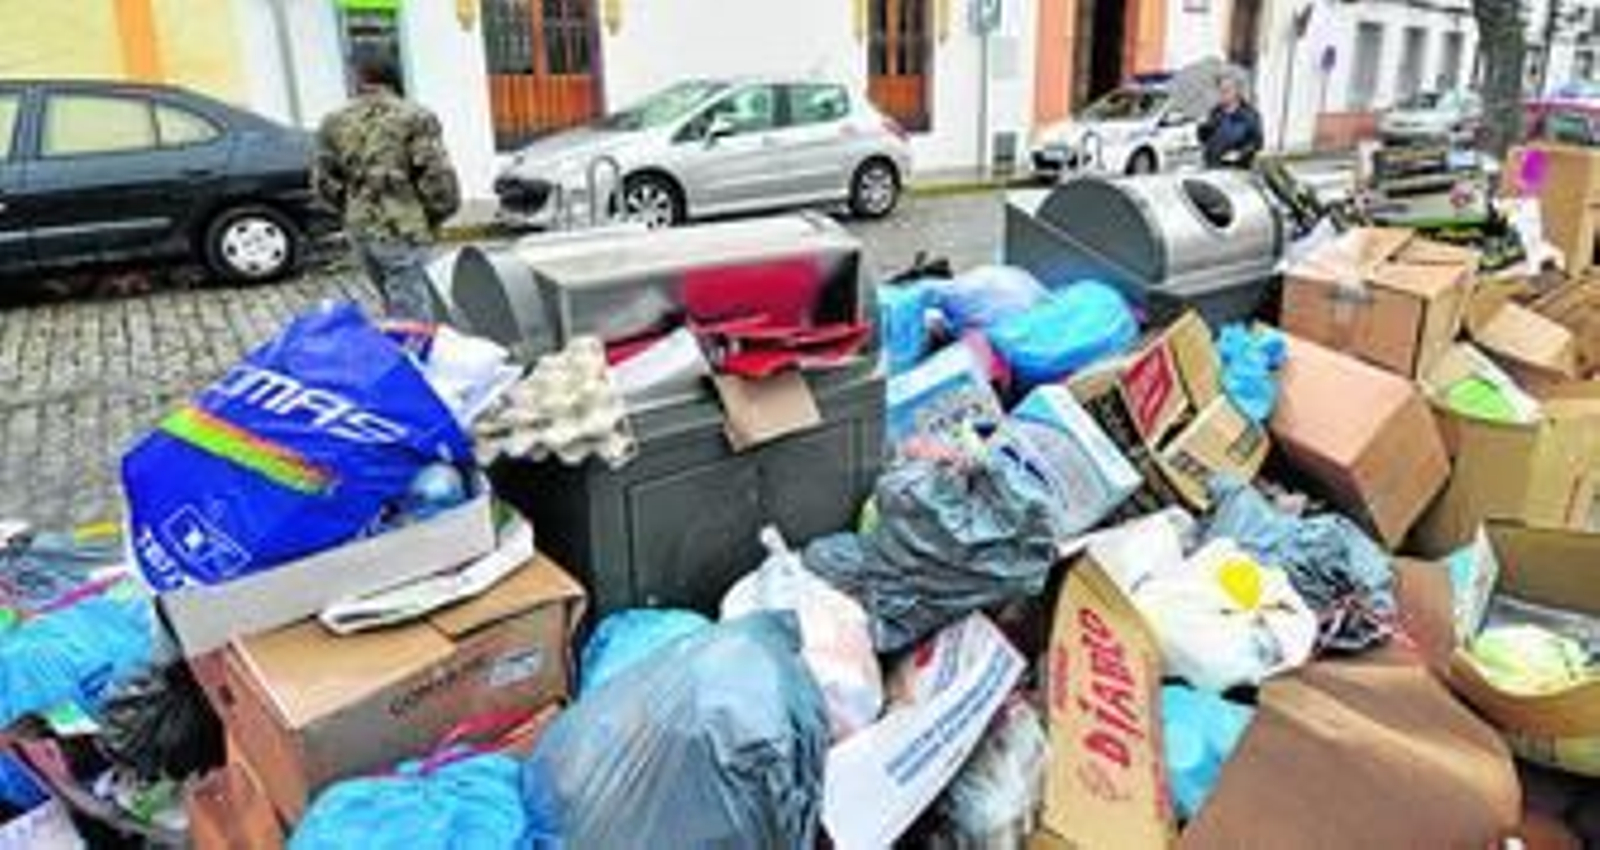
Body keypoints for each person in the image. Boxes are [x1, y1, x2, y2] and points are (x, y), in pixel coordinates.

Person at [313, 55, 460, 321]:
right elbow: (438, 179)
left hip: (359, 228)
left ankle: (400, 354)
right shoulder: (416, 116)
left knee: (393, 304)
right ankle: (413, 358)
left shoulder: (333, 121)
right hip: (402, 227)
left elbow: (322, 182)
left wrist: (351, 208)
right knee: (412, 315)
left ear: (358, 79)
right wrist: (432, 217)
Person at [1198, 76, 1264, 170]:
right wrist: (1202, 129)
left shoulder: (1250, 115)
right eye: (1221, 90)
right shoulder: (1215, 112)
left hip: (1237, 169)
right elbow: (1205, 140)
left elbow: (1257, 143)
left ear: (1237, 91)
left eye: (1227, 89)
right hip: (1213, 166)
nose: (1223, 93)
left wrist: (1241, 153)